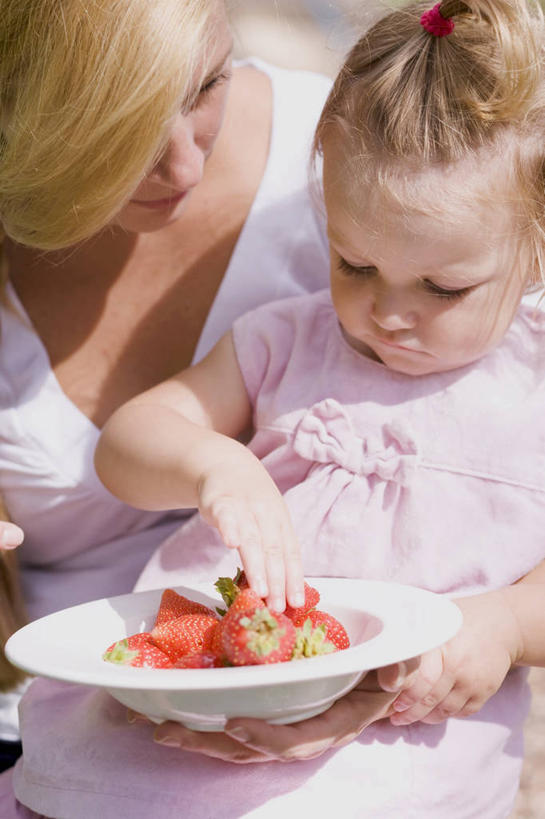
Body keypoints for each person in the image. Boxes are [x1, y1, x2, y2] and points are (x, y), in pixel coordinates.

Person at [7, 0, 544, 816]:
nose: (385, 312)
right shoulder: (290, 340)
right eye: (351, 262)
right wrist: (213, 461)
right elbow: (128, 443)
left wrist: (506, 621)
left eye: (441, 287)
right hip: (186, 707)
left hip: (397, 744)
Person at [0, 0, 339, 775]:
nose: (185, 165)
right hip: (40, 722)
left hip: (303, 699)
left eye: (206, 86)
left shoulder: (338, 158)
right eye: (120, 127)